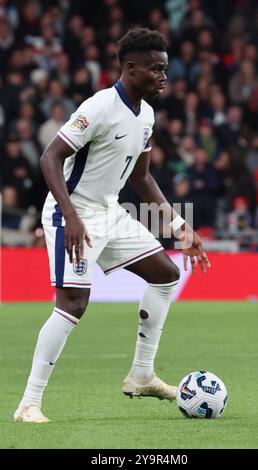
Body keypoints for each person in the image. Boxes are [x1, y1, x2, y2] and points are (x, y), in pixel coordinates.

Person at [14, 28, 210, 423]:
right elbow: (50, 159)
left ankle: (142, 375)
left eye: (165, 69)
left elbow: (141, 178)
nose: (163, 76)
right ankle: (28, 404)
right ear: (131, 68)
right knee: (73, 304)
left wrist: (178, 225)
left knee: (165, 274)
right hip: (72, 213)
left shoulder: (147, 115)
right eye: (155, 69)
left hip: (110, 211)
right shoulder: (100, 106)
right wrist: (70, 216)